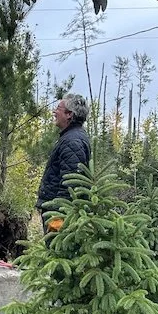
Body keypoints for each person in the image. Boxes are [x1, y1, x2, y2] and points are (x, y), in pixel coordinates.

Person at [36, 93, 90, 232]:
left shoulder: (73, 141)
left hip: (58, 213)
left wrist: (58, 218)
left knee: (56, 251)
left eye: (58, 108)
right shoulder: (70, 137)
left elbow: (71, 183)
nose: (54, 112)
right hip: (54, 209)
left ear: (69, 115)